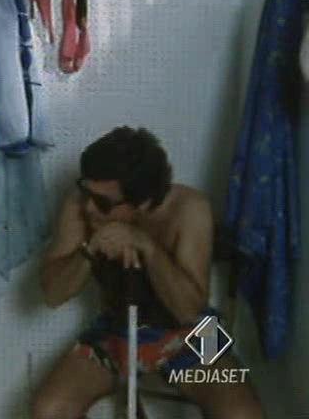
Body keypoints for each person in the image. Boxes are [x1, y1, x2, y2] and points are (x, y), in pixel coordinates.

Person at [33, 126, 264, 419]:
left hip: (194, 333)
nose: (89, 206)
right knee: (49, 410)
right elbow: (52, 294)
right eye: (86, 191)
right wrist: (90, 251)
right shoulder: (79, 206)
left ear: (141, 203)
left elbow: (190, 311)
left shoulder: (189, 208)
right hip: (116, 329)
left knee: (243, 415)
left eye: (103, 203)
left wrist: (148, 248)